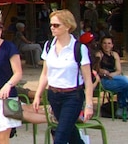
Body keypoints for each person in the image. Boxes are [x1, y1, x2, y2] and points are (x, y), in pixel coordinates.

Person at [31, 10, 95, 144]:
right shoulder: (49, 46)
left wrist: (89, 104)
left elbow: (88, 80)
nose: (52, 28)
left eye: (56, 25)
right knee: (70, 133)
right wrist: (38, 95)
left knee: (60, 136)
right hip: (54, 95)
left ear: (67, 26)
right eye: (51, 25)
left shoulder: (78, 48)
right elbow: (45, 74)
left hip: (72, 96)